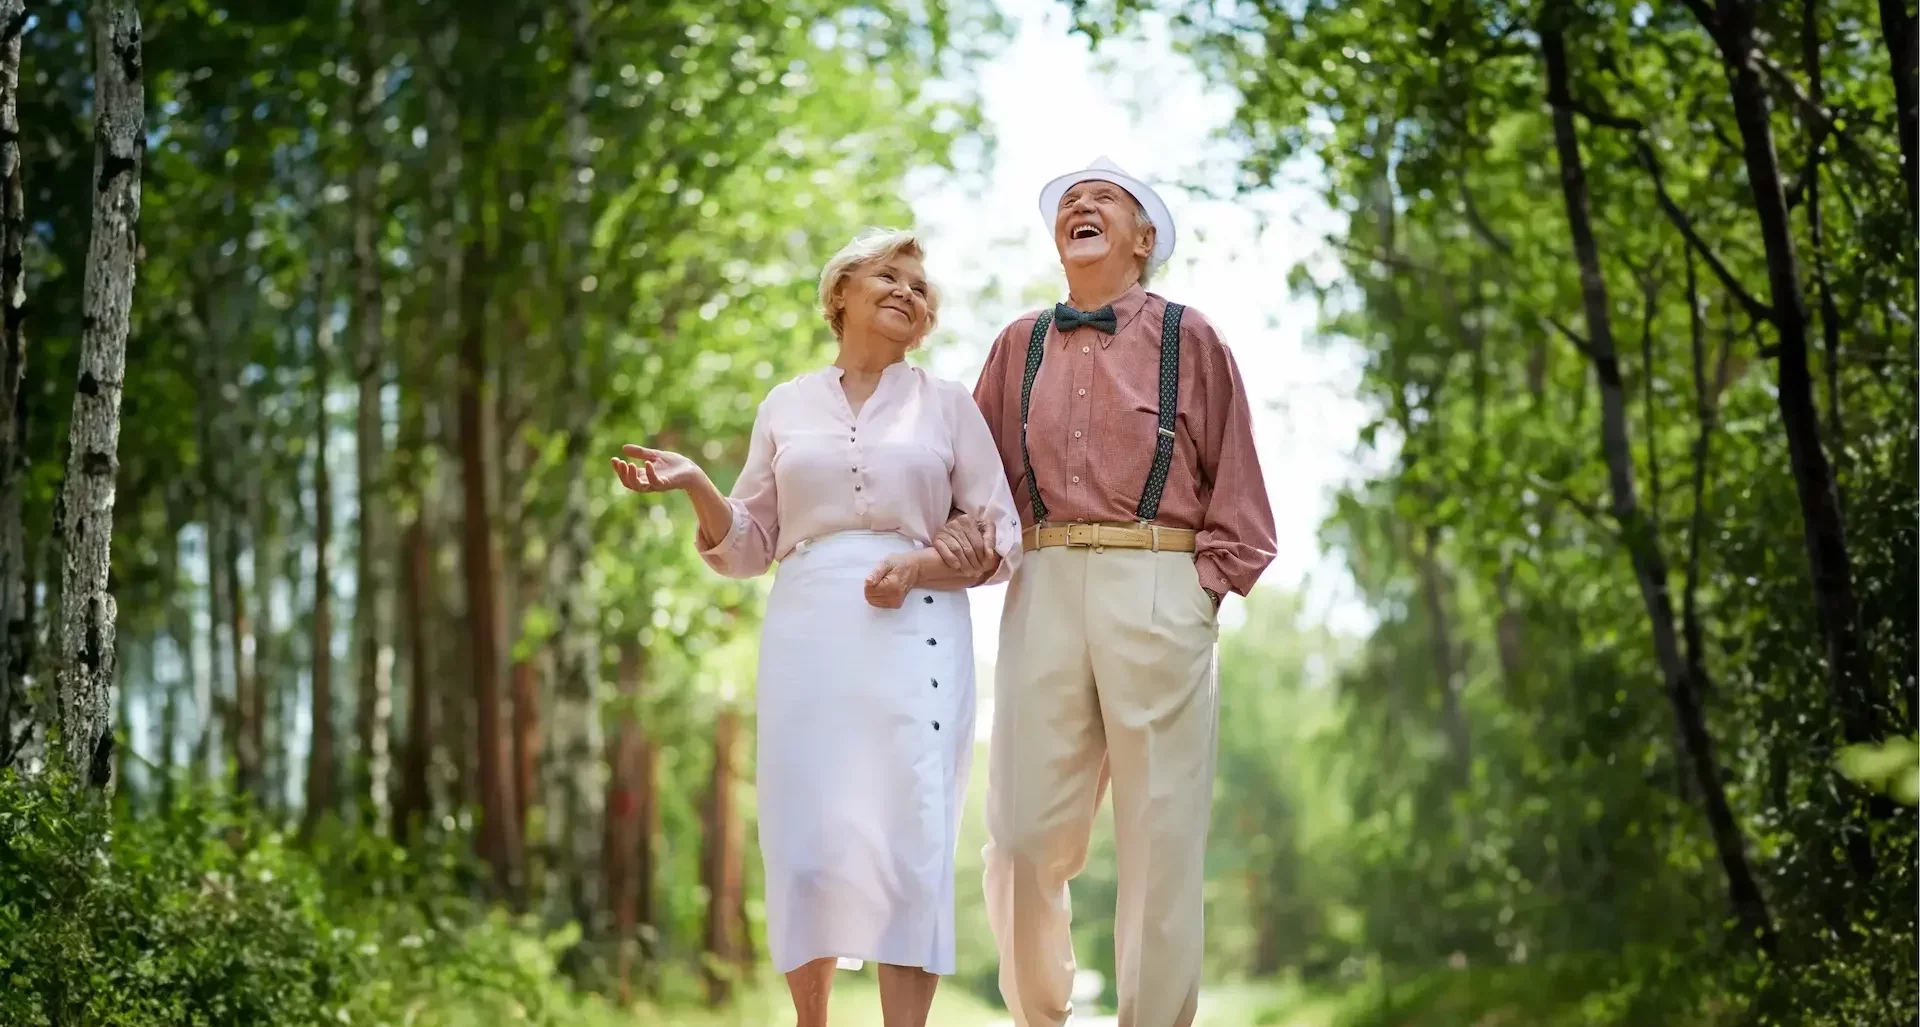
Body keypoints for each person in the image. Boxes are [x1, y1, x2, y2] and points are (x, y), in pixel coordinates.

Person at [611, 228, 1020, 1027]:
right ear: (840, 294)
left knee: (913, 837)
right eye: (888, 276)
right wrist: (697, 482)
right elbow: (748, 544)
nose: (908, 290)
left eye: (919, 284)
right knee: (809, 838)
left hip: (918, 627)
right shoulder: (786, 405)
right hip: (806, 630)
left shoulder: (949, 405)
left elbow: (1001, 533)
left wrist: (920, 565)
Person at [934, 157, 1278, 1027]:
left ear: (1142, 240)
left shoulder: (1190, 337)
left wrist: (1199, 591)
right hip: (1042, 580)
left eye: (1104, 201)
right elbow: (976, 487)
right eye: (1069, 203)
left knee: (1161, 840)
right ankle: (1038, 1015)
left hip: (1159, 580)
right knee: (1017, 837)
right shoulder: (1018, 342)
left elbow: (1239, 487)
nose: (1080, 208)